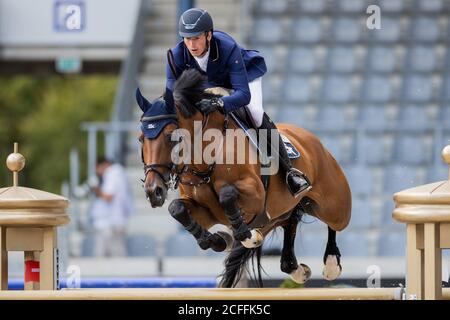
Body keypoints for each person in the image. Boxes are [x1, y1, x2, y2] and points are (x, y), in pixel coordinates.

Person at [164, 8, 311, 197]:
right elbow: (170, 97)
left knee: (255, 112)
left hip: (244, 77)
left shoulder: (226, 47)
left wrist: (220, 104)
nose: (191, 45)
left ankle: (289, 171)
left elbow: (243, 95)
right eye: (187, 38)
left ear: (208, 35)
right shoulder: (175, 55)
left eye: (197, 38)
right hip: (211, 84)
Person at [88, 157, 134, 257]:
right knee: (117, 255)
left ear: (105, 164)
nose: (98, 172)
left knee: (106, 257)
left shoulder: (112, 173)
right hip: (115, 221)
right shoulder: (118, 172)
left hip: (111, 224)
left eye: (98, 168)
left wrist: (95, 188)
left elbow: (108, 197)